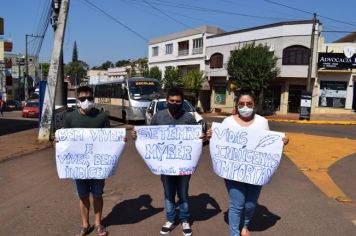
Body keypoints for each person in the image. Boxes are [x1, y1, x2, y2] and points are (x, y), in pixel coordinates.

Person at [207, 88, 288, 236]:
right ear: (237, 105)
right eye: (242, 104)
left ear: (254, 105)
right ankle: (234, 233)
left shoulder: (262, 122)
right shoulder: (228, 121)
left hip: (255, 173)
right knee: (237, 204)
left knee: (250, 204)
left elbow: (268, 145)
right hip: (233, 172)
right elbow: (219, 143)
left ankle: (244, 225)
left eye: (249, 104)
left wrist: (281, 142)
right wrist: (212, 135)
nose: (245, 107)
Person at [131, 87, 201, 236]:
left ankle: (185, 220)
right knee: (169, 194)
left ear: (182, 102)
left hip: (183, 165)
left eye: (178, 101)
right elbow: (150, 137)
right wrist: (138, 135)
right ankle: (170, 219)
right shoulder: (158, 117)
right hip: (165, 165)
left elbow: (196, 140)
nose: (175, 103)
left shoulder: (189, 118)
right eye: (172, 101)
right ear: (167, 100)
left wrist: (203, 137)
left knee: (183, 193)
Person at [63, 86, 110, 236]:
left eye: (89, 98)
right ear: (78, 100)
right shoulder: (70, 118)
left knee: (97, 195)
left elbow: (110, 140)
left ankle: (98, 223)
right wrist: (58, 142)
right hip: (79, 166)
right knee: (83, 196)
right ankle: (85, 225)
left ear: (93, 99)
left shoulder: (102, 117)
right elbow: (66, 141)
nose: (87, 101)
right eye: (83, 99)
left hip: (97, 164)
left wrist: (120, 141)